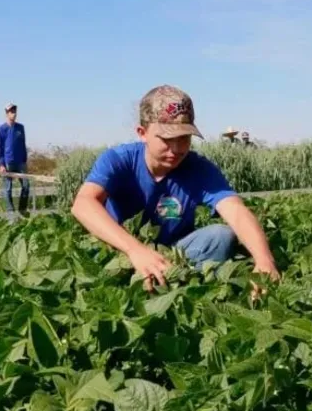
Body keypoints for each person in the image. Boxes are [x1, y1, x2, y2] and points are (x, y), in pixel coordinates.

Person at [70, 84, 280, 293]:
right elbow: (83, 204)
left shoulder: (198, 167)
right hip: (122, 252)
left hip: (177, 254)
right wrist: (135, 250)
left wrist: (264, 261)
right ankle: (156, 288)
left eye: (184, 138)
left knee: (220, 236)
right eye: (167, 139)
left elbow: (235, 210)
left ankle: (182, 288)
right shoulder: (118, 160)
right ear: (142, 133)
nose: (177, 149)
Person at [0, 103, 30, 214]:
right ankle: (10, 211)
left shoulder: (20, 127)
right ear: (7, 113)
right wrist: (1, 164)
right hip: (8, 162)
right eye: (11, 111)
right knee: (8, 188)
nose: (14, 113)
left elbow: (23, 144)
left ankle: (22, 210)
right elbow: (0, 147)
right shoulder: (2, 129)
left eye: (15, 111)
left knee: (26, 185)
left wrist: (25, 160)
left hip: (21, 162)